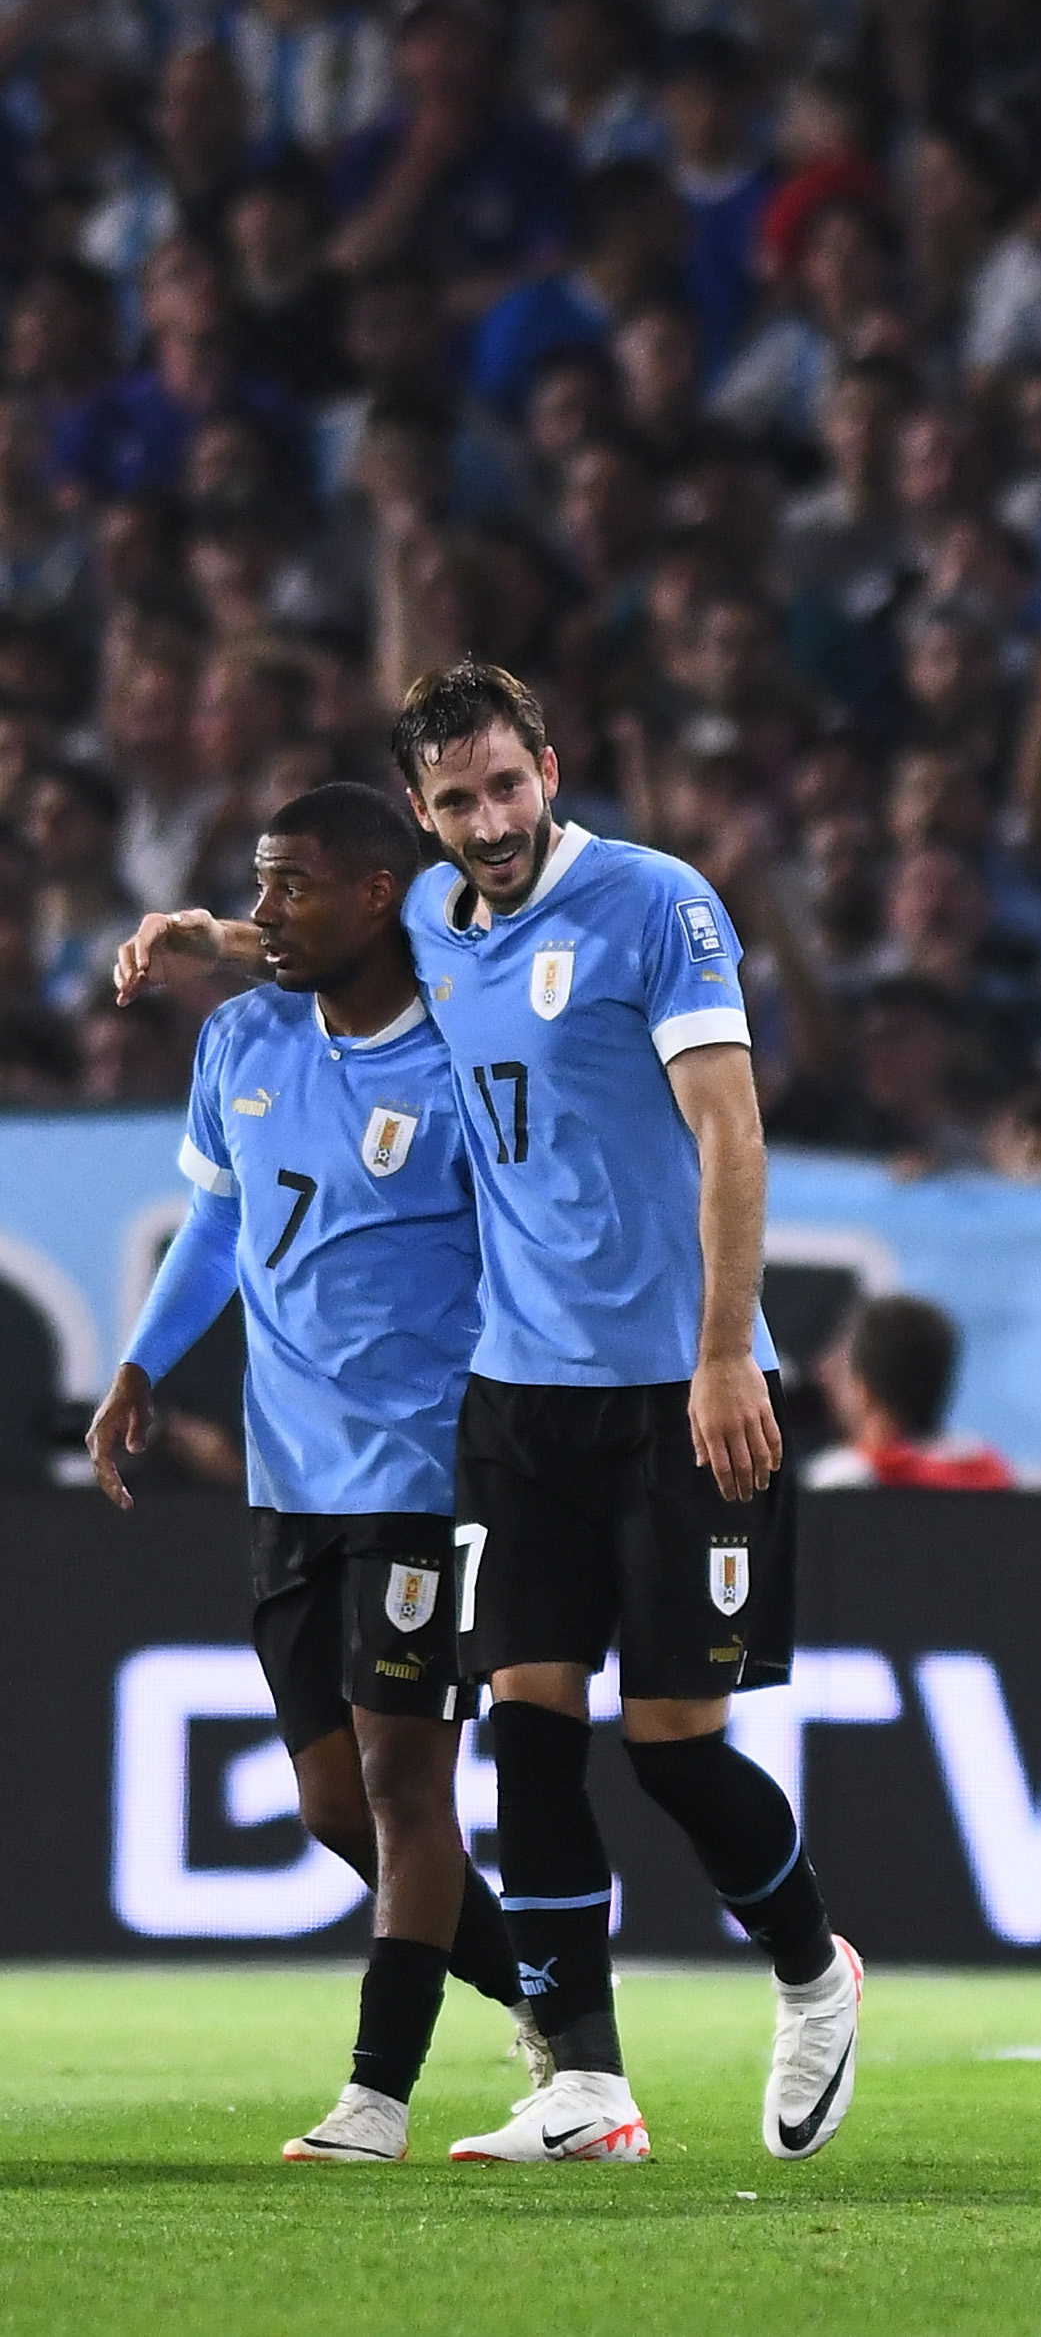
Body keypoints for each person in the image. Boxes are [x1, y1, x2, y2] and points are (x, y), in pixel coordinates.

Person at [119, 662, 859, 2167]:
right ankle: (582, 2084)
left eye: (507, 787)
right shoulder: (441, 927)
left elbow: (731, 1129)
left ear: (550, 766)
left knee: (668, 1746)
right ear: (422, 817)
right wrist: (207, 933)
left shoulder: (656, 905)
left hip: (680, 1385)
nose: (490, 821)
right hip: (519, 1398)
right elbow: (313, 937)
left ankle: (810, 1963)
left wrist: (727, 1351)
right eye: (456, 801)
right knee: (525, 1730)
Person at [86, 780, 534, 2164]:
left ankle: (376, 2099)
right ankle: (566, 2011)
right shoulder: (242, 1041)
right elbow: (215, 1232)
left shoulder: (464, 1056)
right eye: (259, 889)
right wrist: (141, 1368)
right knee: (337, 1808)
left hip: (428, 1472)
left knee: (408, 1789)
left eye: (294, 888)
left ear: (383, 894)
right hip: (290, 1479)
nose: (267, 915)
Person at [807, 1293, 1017, 1488]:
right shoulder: (991, 1470)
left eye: (842, 1370)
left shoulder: (842, 1478)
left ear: (864, 1391)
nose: (823, 1373)